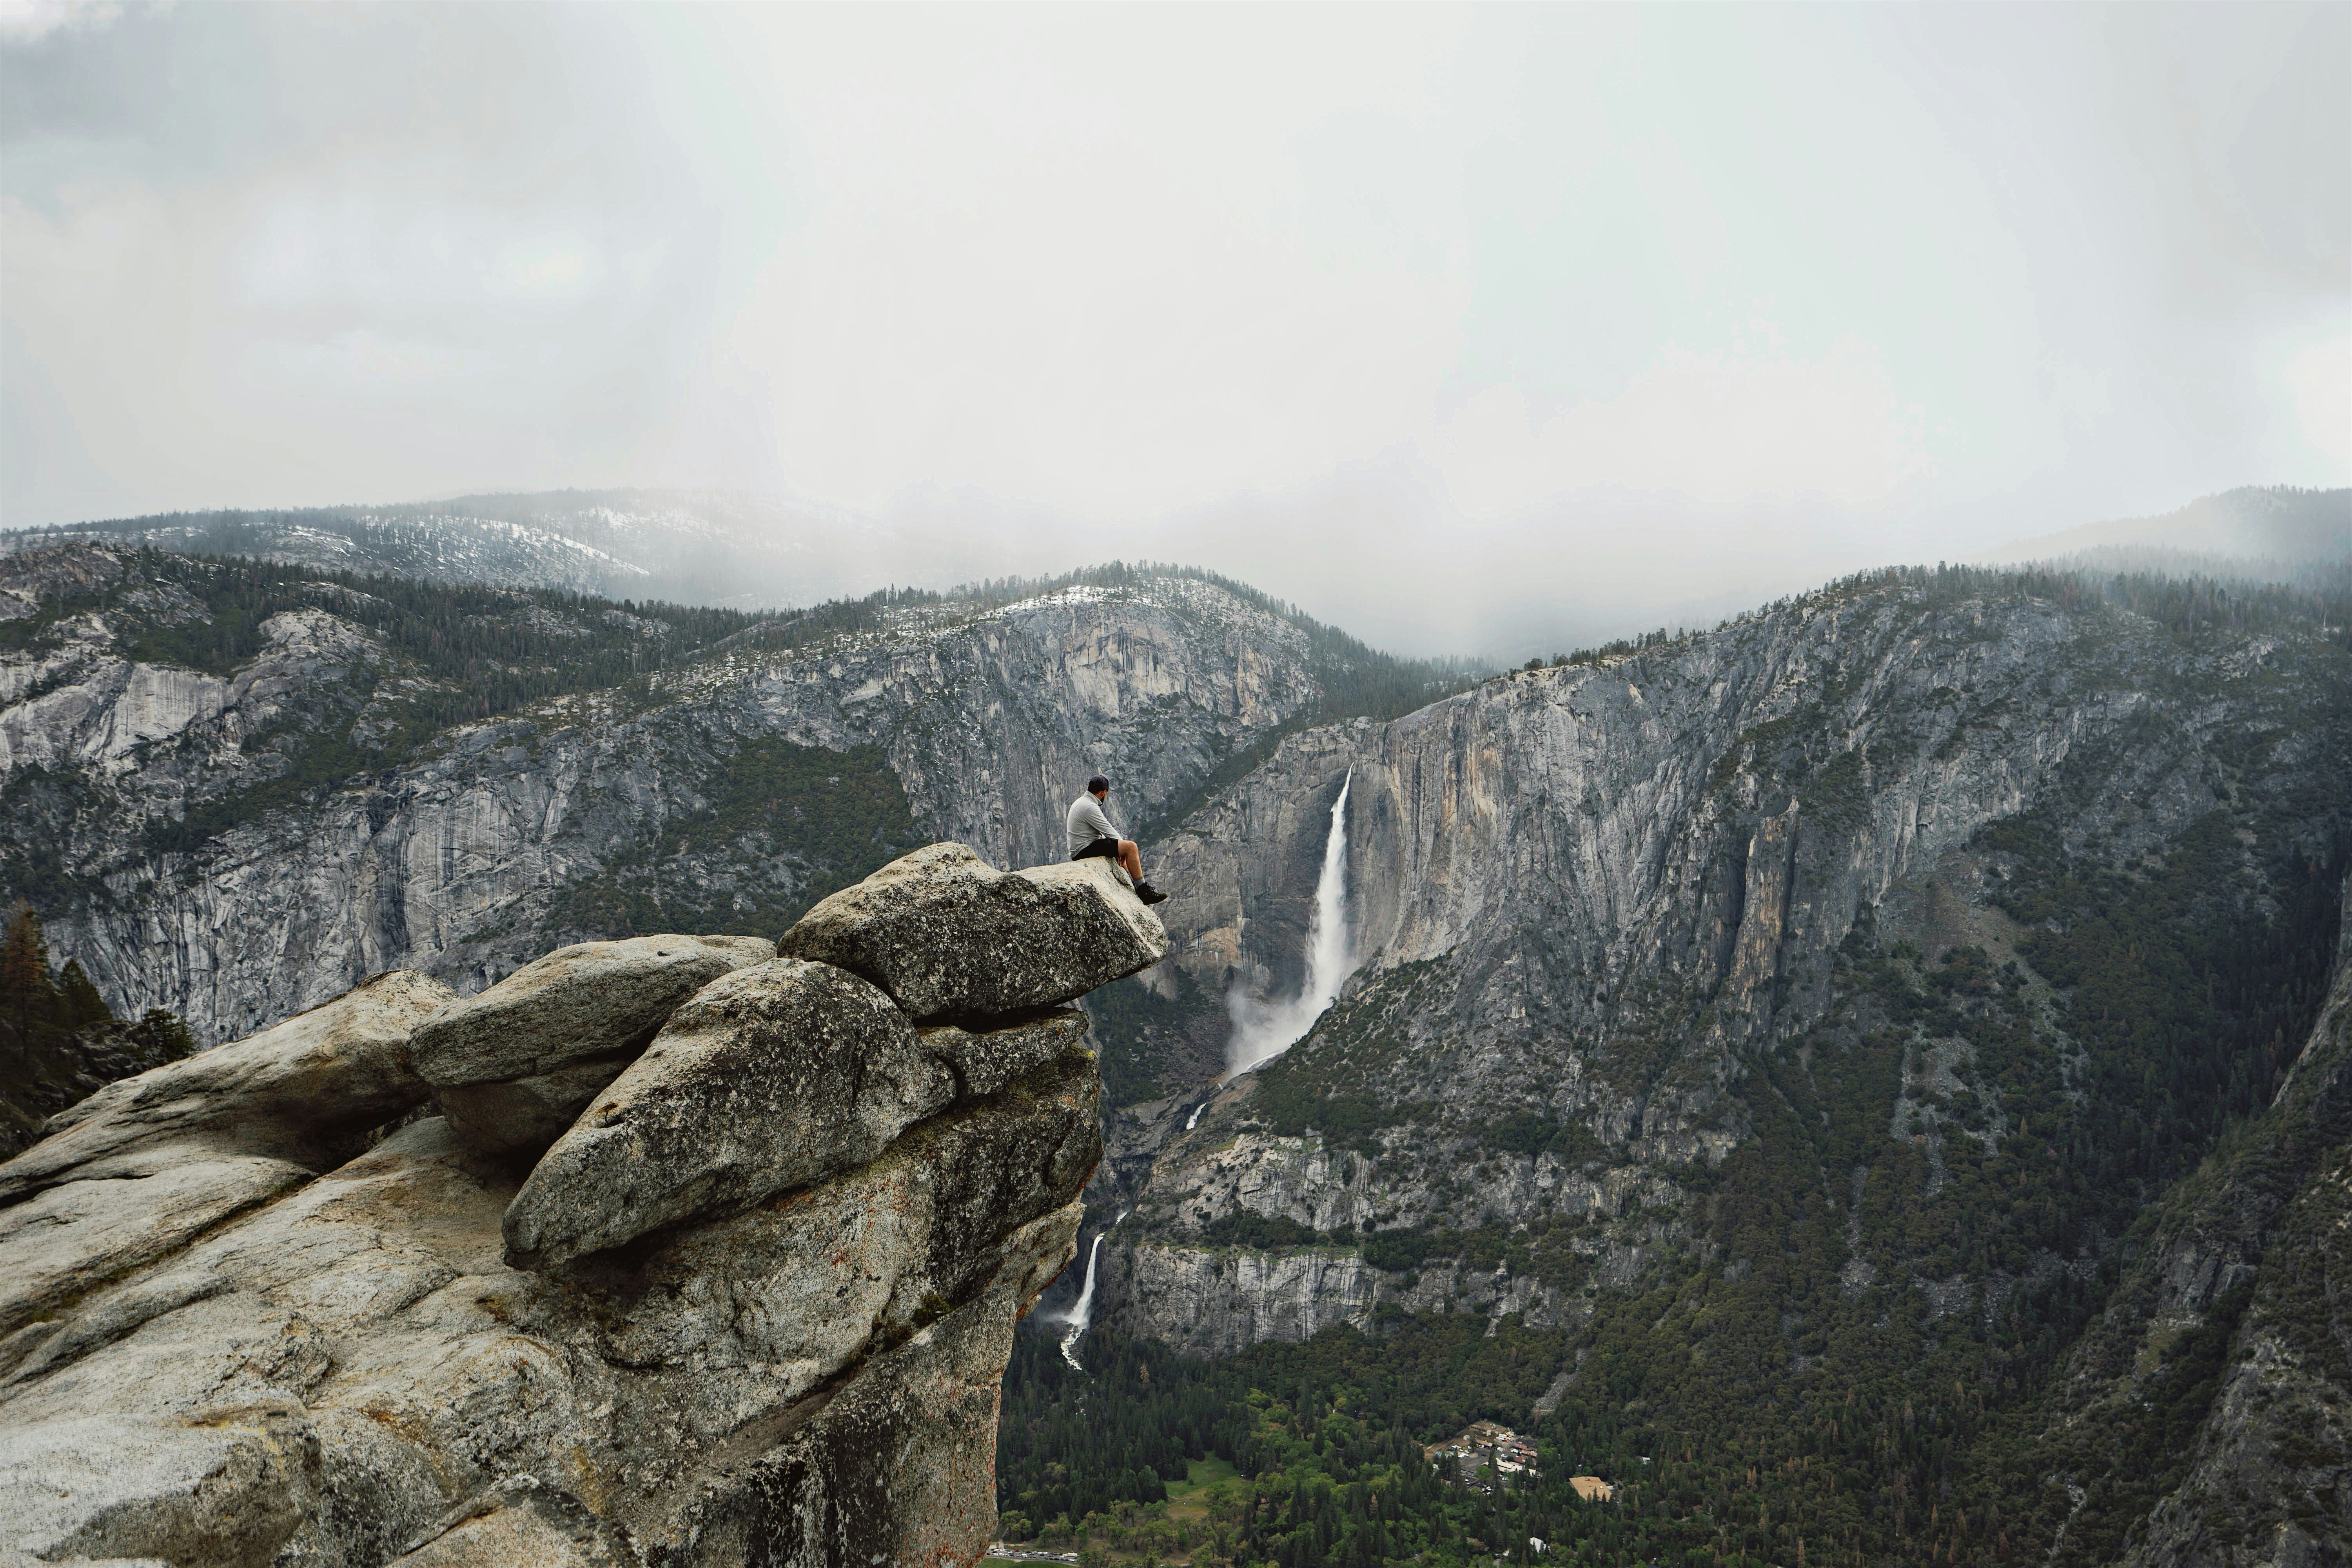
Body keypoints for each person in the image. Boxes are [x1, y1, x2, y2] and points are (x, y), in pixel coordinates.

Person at [1066, 775, 1168, 905]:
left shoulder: (1082, 802)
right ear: (1104, 792)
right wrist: (1121, 850)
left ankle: (1131, 885)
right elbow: (1110, 831)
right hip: (1083, 850)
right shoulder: (1090, 807)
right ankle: (1144, 891)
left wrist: (1117, 850)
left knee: (1122, 851)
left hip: (1083, 847)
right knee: (1131, 848)